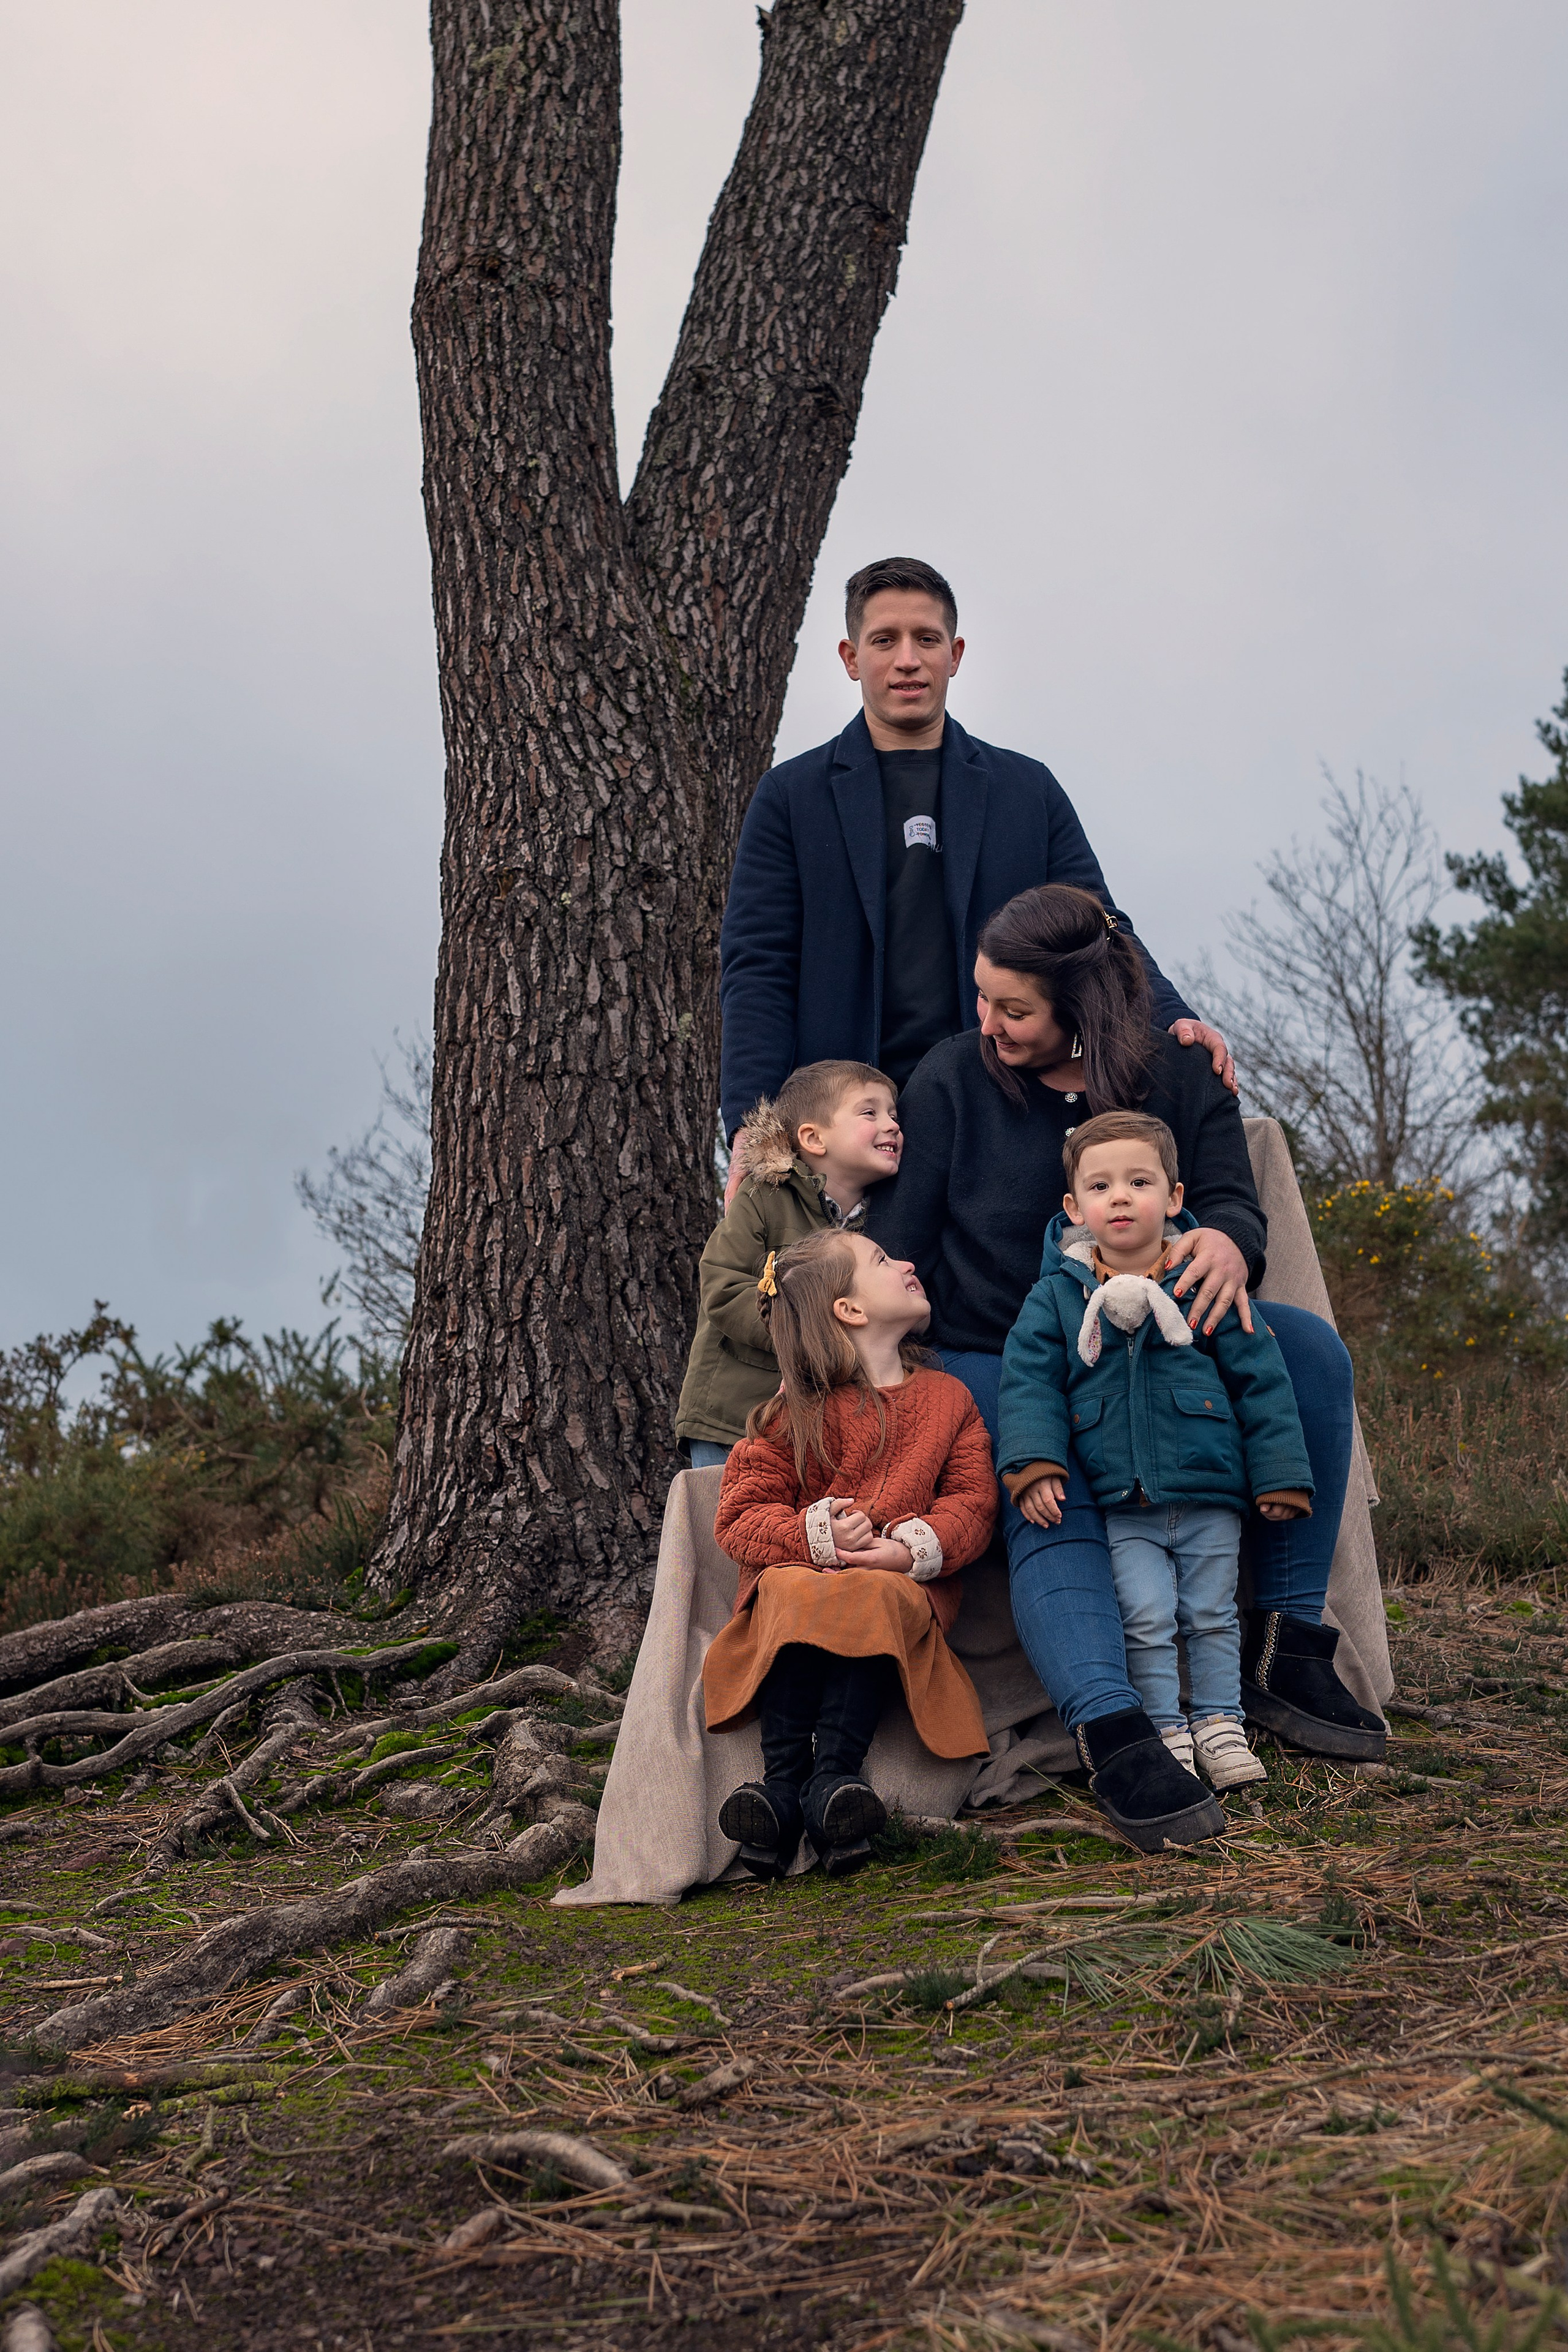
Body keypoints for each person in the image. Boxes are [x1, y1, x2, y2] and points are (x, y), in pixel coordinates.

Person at [867, 882, 1387, 1850]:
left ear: (1082, 1002)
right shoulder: (951, 1079)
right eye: (981, 999)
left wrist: (1230, 1242)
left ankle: (1283, 1655)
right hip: (999, 1344)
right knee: (1035, 1454)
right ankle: (1115, 1727)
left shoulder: (1177, 1075)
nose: (987, 1023)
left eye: (1011, 1008)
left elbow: (1232, 1199)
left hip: (1167, 1328)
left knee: (1308, 1349)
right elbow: (898, 1241)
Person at [717, 555, 1233, 1195]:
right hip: (845, 1131)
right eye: (885, 641)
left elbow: (1098, 927)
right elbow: (758, 968)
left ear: (954, 654)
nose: (907, 659)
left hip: (997, 1112)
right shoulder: (790, 797)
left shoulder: (1025, 789)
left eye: (926, 639)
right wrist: (752, 1128)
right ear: (851, 658)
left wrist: (1174, 1016)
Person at [998, 1110, 1317, 1843]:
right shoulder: (1058, 1296)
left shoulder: (1199, 1280)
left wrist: (1279, 1475)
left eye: (1138, 1183)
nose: (1120, 1198)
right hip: (1122, 1501)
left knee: (1209, 1612)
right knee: (1142, 1617)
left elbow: (1261, 1378)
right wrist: (1036, 1464)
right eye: (1100, 1186)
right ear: (1073, 1209)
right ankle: (1166, 1730)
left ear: (1171, 1197)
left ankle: (1220, 1725)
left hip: (1210, 1491)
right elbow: (1027, 1385)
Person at [703, 1229, 995, 1880]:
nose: (909, 1261)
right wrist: (816, 1536)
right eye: (884, 1261)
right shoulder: (796, 1412)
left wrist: (910, 1549)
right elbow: (739, 1515)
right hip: (803, 1578)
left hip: (894, 1586)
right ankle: (780, 1788)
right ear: (850, 1310)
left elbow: (973, 1504)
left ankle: (833, 1779)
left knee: (876, 1595)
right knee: (790, 1590)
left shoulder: (948, 1400)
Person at [676, 1061, 902, 1468]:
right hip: (732, 1414)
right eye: (870, 1113)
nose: (892, 1125)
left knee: (781, 1529)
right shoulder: (765, 1195)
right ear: (814, 1138)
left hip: (814, 1427)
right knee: (719, 1522)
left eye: (894, 1114)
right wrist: (806, 1333)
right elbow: (723, 1287)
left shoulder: (886, 1220)